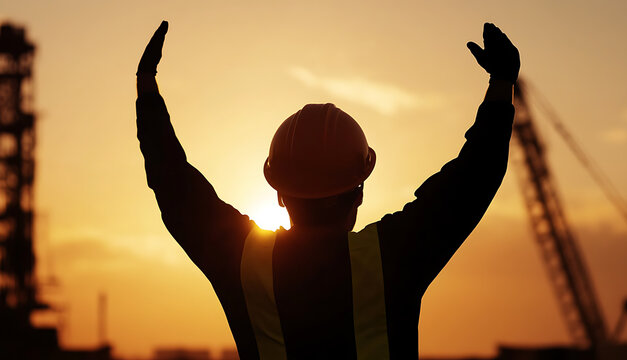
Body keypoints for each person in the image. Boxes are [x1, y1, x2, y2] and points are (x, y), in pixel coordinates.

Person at [136, 21, 519, 360]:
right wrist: (501, 84)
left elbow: (176, 187)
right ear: (359, 193)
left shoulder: (243, 262)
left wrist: (147, 87)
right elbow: (469, 183)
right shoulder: (390, 258)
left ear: (280, 195)